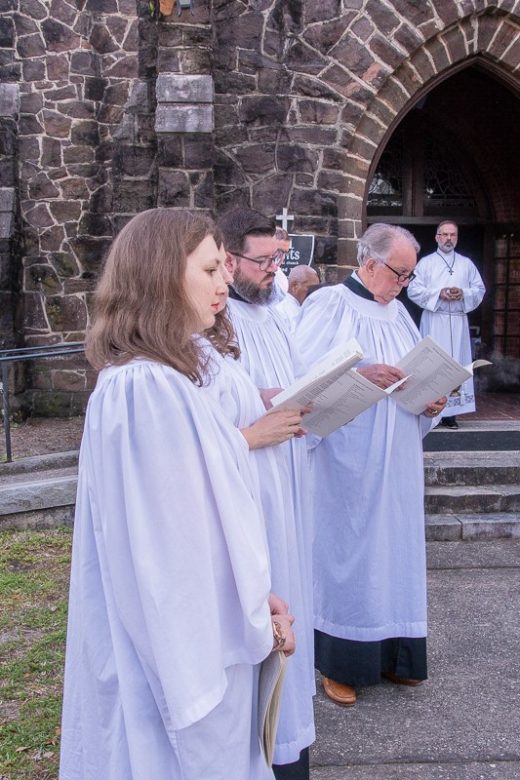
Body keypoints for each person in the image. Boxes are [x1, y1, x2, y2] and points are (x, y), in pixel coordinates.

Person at [59, 208, 295, 780]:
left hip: (205, 622)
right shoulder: (148, 387)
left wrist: (255, 596)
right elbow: (171, 545)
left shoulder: (162, 377)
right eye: (211, 268)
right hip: (184, 647)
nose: (223, 283)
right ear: (164, 273)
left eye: (223, 268)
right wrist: (251, 614)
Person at [294, 223, 446, 708]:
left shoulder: (400, 313)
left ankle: (393, 655)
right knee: (350, 553)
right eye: (400, 274)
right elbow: (300, 379)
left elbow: (415, 370)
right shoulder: (328, 305)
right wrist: (360, 373)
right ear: (370, 263)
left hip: (397, 452)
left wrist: (429, 400)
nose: (404, 284)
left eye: (409, 276)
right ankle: (340, 664)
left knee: (394, 551)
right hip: (348, 455)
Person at [218, 207, 315, 780]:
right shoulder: (213, 320)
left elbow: (300, 379)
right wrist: (265, 398)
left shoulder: (278, 313)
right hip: (250, 479)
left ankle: (290, 732)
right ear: (229, 259)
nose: (275, 271)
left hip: (289, 469)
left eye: (279, 259)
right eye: (264, 261)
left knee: (292, 586)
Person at [407, 220, 485, 429]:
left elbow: (479, 290)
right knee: (433, 364)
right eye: (444, 234)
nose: (448, 238)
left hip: (458, 320)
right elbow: (412, 289)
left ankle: (451, 413)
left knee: (456, 363)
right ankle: (429, 409)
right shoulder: (426, 263)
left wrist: (464, 293)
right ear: (437, 237)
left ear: (457, 237)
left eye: (452, 235)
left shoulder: (466, 264)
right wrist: (438, 293)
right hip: (435, 319)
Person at [275, 265, 320, 332]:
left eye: (317, 289)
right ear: (295, 286)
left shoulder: (305, 308)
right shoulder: (281, 311)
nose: (315, 293)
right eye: (311, 288)